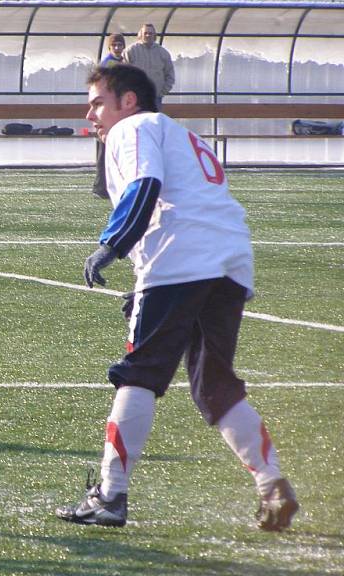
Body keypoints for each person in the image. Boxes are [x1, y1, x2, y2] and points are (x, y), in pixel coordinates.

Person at [56, 65, 298, 532]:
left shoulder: (133, 126)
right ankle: (273, 485)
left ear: (128, 100)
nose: (91, 113)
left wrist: (112, 244)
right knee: (215, 385)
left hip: (179, 259)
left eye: (98, 102)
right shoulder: (182, 134)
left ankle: (110, 495)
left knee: (139, 374)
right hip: (228, 262)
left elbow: (146, 187)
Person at [93, 33, 126, 199]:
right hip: (108, 112)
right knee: (105, 148)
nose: (118, 48)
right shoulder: (107, 63)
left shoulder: (125, 62)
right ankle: (100, 187)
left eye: (120, 45)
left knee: (116, 148)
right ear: (110, 47)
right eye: (115, 45)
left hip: (119, 110)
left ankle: (114, 186)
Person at [122, 24, 175, 110]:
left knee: (154, 122)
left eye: (150, 33)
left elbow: (170, 74)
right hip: (136, 98)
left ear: (154, 35)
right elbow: (123, 75)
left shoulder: (163, 53)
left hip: (156, 98)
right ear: (140, 35)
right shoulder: (130, 51)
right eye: (145, 33)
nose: (148, 35)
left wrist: (162, 92)